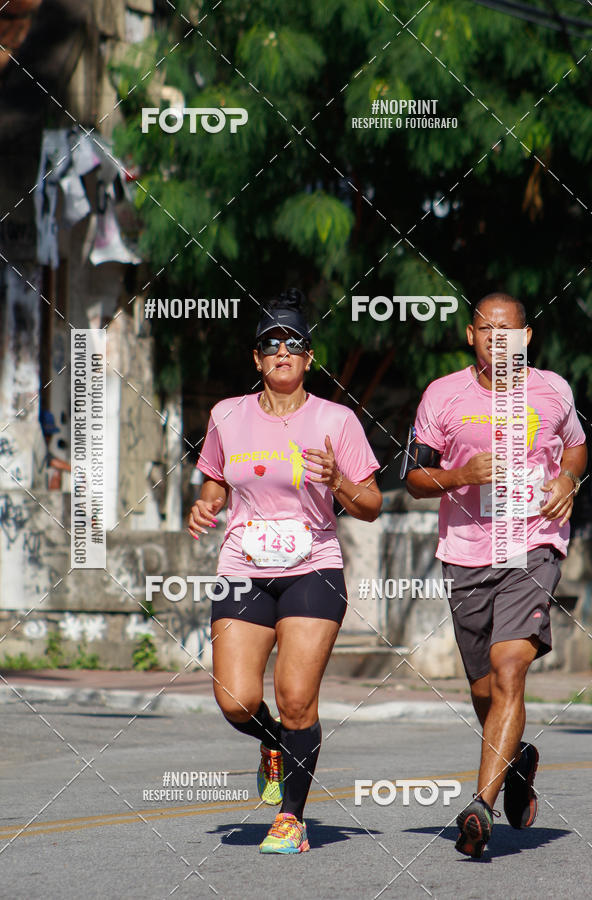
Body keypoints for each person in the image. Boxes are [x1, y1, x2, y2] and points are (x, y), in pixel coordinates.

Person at [188, 289, 382, 854]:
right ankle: (272, 742)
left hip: (312, 566)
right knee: (235, 699)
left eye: (292, 342)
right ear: (256, 358)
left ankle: (291, 817)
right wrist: (207, 503)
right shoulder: (227, 414)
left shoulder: (335, 420)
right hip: (243, 565)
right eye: (269, 343)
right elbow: (215, 480)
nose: (281, 352)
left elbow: (371, 504)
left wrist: (338, 483)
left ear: (308, 357)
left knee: (297, 697)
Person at [405, 292, 587, 858]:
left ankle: (478, 806)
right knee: (486, 690)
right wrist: (458, 474)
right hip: (465, 551)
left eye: (507, 331)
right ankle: (518, 759)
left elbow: (577, 448)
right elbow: (413, 477)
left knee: (511, 667)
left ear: (526, 338)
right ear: (470, 336)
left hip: (531, 543)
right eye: (486, 331)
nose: (496, 341)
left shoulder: (553, 390)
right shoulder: (442, 395)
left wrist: (569, 481)